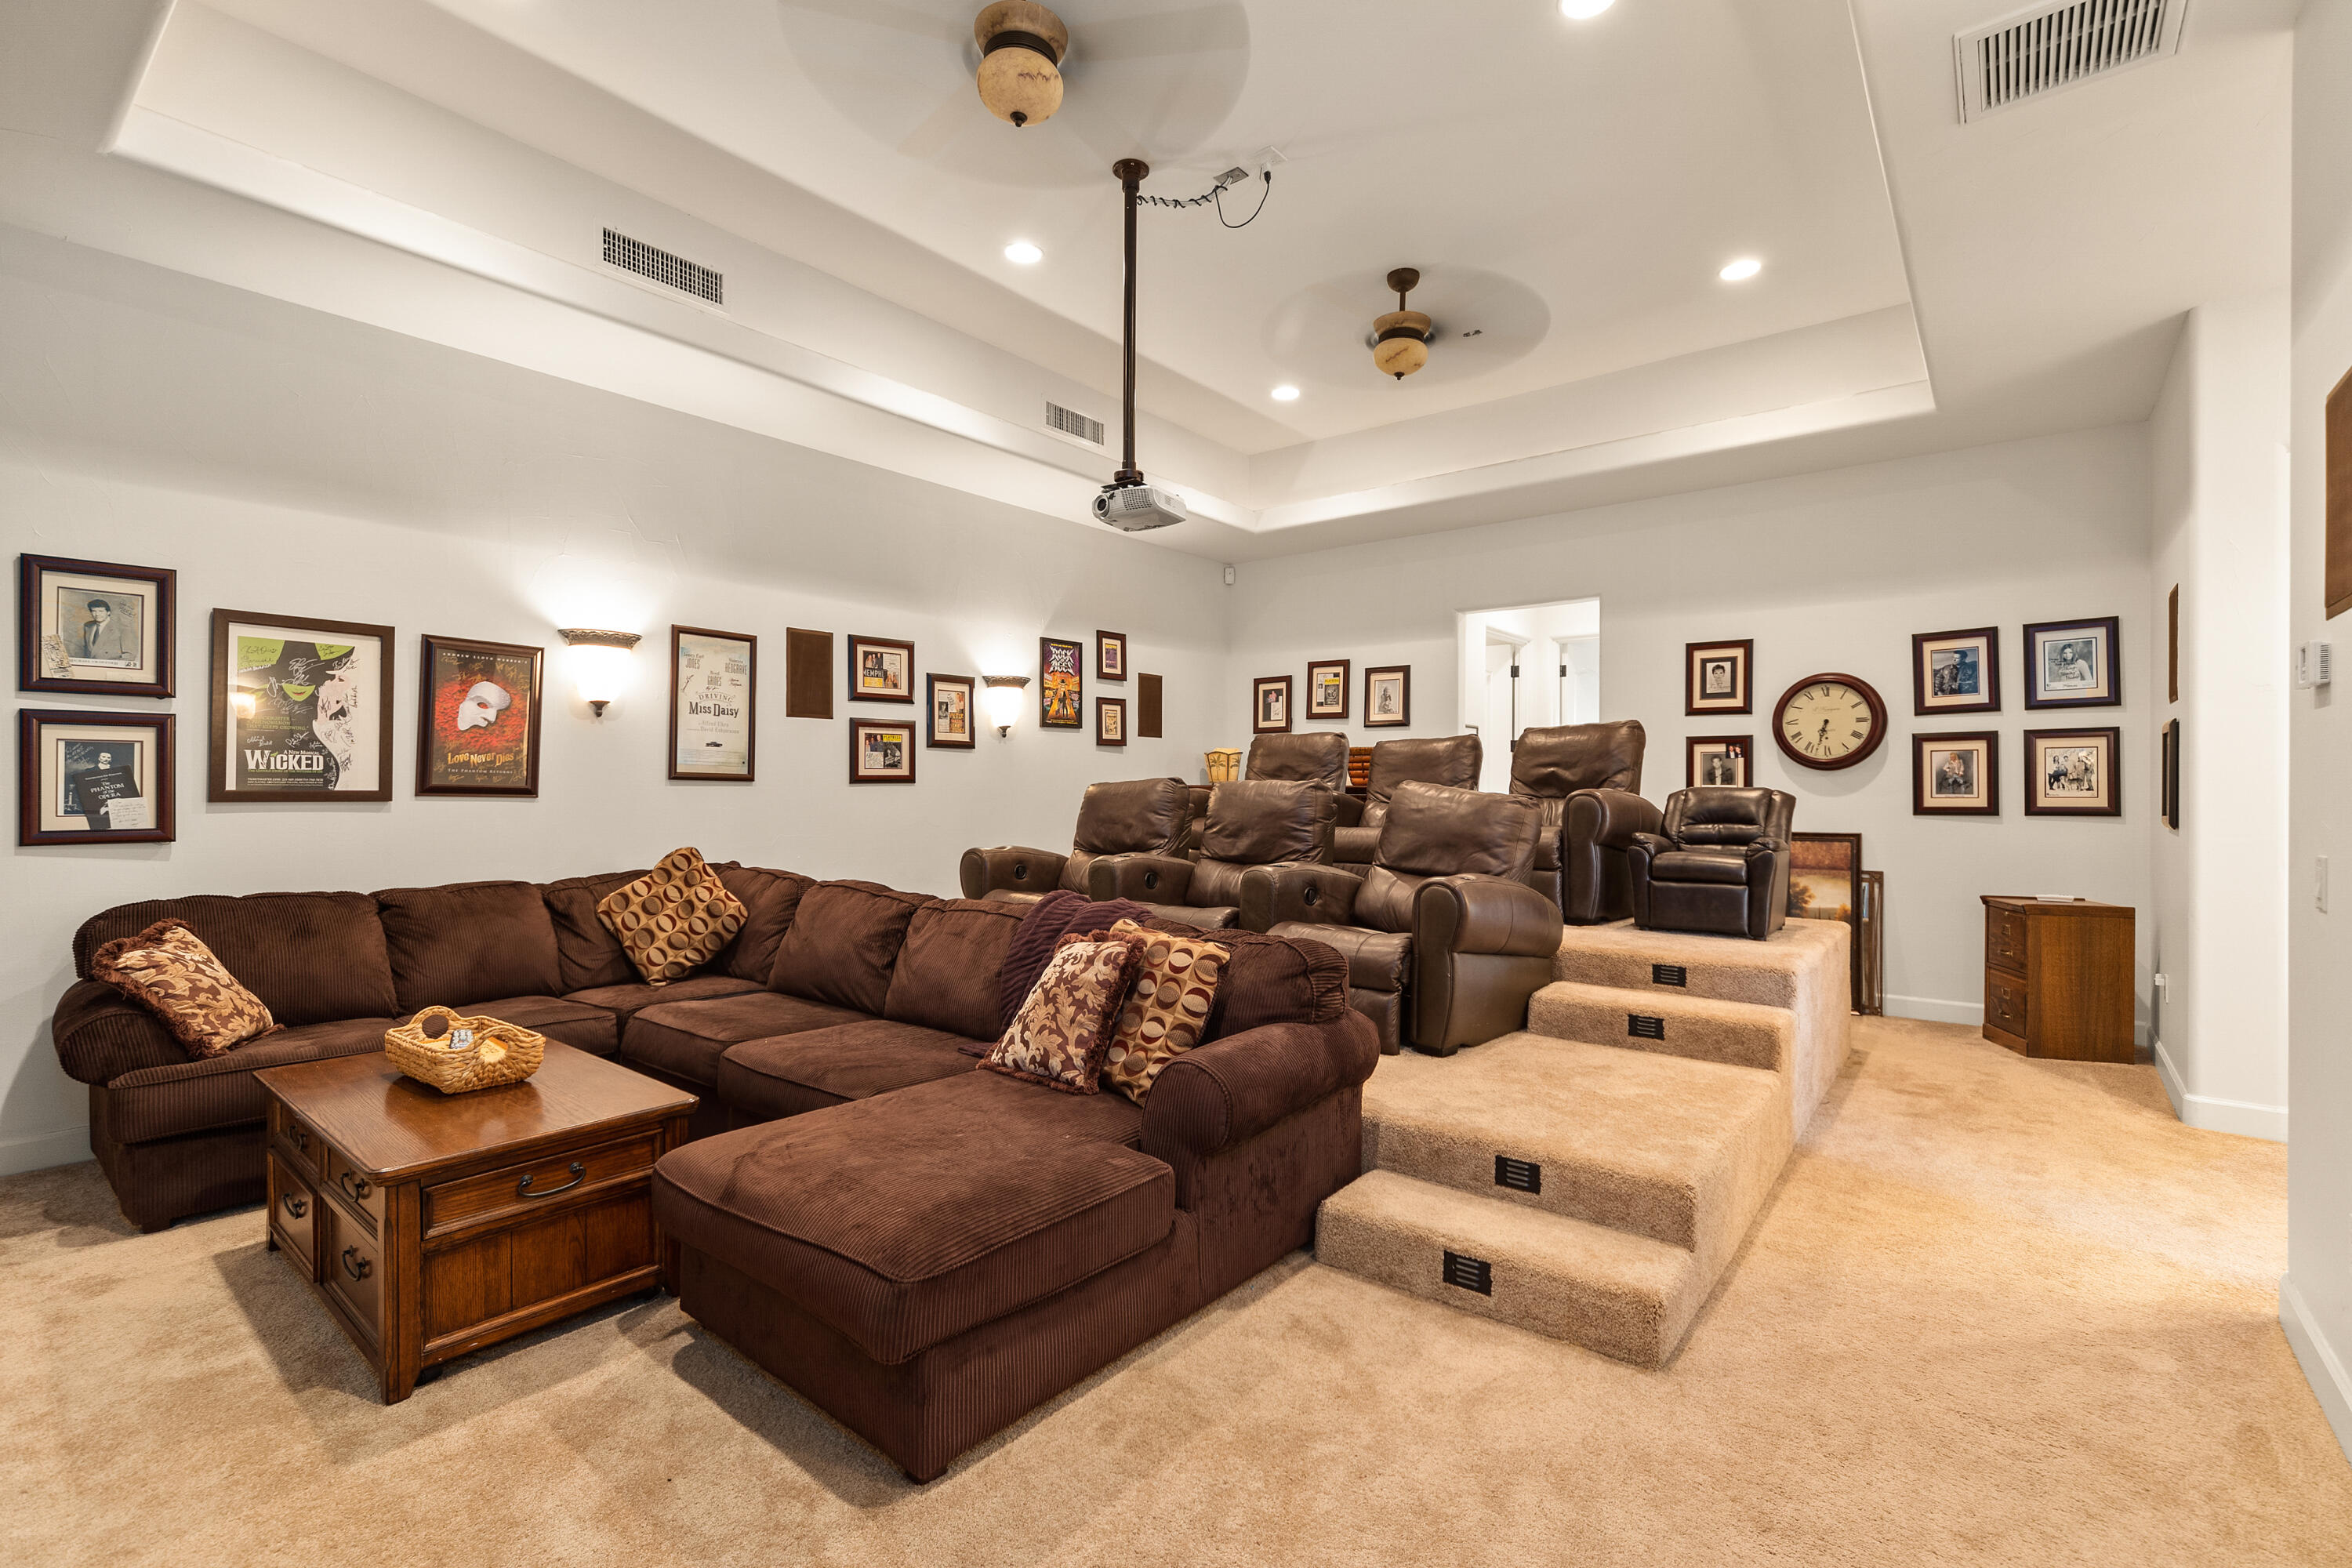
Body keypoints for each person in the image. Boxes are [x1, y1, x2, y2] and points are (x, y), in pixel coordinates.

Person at [76, 598, 136, 663]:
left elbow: (129, 655)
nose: (97, 614)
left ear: (108, 612)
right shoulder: (88, 626)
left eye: (101, 611)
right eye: (94, 611)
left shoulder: (122, 628)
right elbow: (87, 651)